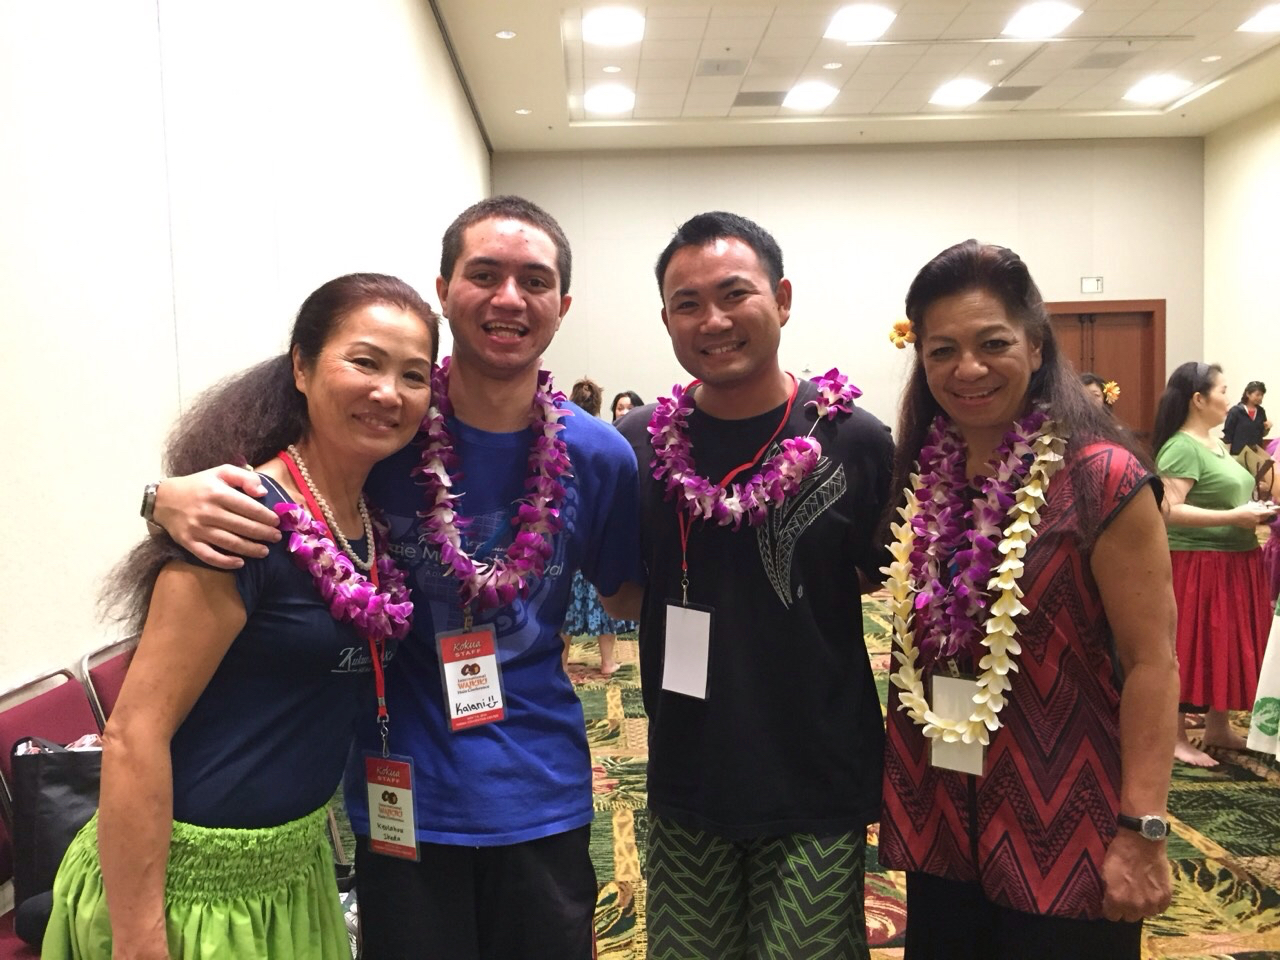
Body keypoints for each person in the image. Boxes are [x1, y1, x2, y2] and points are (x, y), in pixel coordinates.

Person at [149, 197, 642, 960]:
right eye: (485, 274)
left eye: (534, 281)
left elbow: (626, 594)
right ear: (444, 290)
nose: (509, 298)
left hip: (541, 793)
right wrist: (160, 498)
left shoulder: (599, 456)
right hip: (401, 793)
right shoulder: (380, 429)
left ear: (562, 305)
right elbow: (272, 480)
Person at [43, 274, 438, 958]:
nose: (388, 392)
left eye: (414, 375)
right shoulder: (241, 519)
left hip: (295, 875)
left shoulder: (365, 522)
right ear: (301, 367)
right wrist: (139, 940)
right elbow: (134, 734)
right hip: (187, 895)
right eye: (364, 362)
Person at [878, 240, 1179, 959]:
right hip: (941, 819)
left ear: (1036, 346)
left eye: (993, 343)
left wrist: (1143, 829)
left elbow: (1153, 663)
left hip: (1066, 827)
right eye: (942, 350)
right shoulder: (927, 475)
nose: (967, 368)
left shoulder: (1102, 479)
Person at [611, 211, 894, 960]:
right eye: (688, 303)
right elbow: (621, 591)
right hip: (689, 769)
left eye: (735, 294)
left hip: (816, 774)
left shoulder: (854, 440)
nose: (714, 320)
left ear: (783, 299)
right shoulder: (637, 445)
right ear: (666, 320)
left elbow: (873, 576)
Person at [1152, 362, 1276, 767]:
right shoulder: (1181, 446)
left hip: (1233, 558)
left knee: (1221, 644)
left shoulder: (1214, 443)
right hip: (1199, 561)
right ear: (1198, 399)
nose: (1229, 398)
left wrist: (1249, 511)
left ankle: (1217, 727)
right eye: (1223, 390)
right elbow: (1167, 510)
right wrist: (1233, 517)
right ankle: (1174, 737)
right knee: (1192, 645)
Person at [561, 377, 635, 677]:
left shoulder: (556, 438)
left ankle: (561, 664)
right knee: (605, 608)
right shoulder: (607, 439)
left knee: (566, 610)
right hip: (598, 538)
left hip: (569, 539)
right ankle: (607, 662)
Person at [1223, 380, 1273, 497]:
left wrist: (1267, 428)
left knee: (1254, 483)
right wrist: (1227, 457)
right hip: (1237, 454)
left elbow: (1261, 434)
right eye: (1257, 394)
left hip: (1255, 454)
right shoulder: (1235, 411)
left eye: (1262, 395)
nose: (1260, 397)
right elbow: (1228, 435)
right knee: (1239, 483)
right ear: (1248, 394)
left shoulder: (1261, 412)